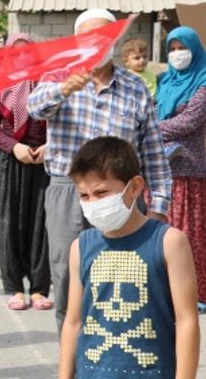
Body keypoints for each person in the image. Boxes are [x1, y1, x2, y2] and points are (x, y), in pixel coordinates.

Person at [27, 8, 172, 330]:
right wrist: (64, 89)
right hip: (69, 191)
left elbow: (152, 150)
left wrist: (159, 206)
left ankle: (117, 352)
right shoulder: (57, 76)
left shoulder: (134, 88)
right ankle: (73, 357)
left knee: (123, 276)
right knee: (67, 273)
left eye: (105, 36)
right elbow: (34, 108)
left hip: (123, 194)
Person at [59, 137, 199, 378]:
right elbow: (73, 322)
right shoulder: (80, 247)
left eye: (102, 192)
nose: (93, 203)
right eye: (84, 195)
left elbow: (187, 321)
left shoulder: (169, 242)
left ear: (134, 187)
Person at [0, 33, 52, 311]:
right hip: (12, 161)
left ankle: (38, 288)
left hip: (43, 162)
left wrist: (50, 146)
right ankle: (14, 287)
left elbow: (62, 119)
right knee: (9, 224)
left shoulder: (50, 82)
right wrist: (14, 147)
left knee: (42, 224)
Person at [154, 26, 206, 312]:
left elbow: (188, 122)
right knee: (162, 231)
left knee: (187, 234)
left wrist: (148, 128)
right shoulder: (165, 82)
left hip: (188, 170)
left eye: (181, 47)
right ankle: (165, 291)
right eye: (171, 49)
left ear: (194, 49)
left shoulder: (203, 83)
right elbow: (151, 111)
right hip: (159, 169)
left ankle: (194, 292)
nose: (177, 54)